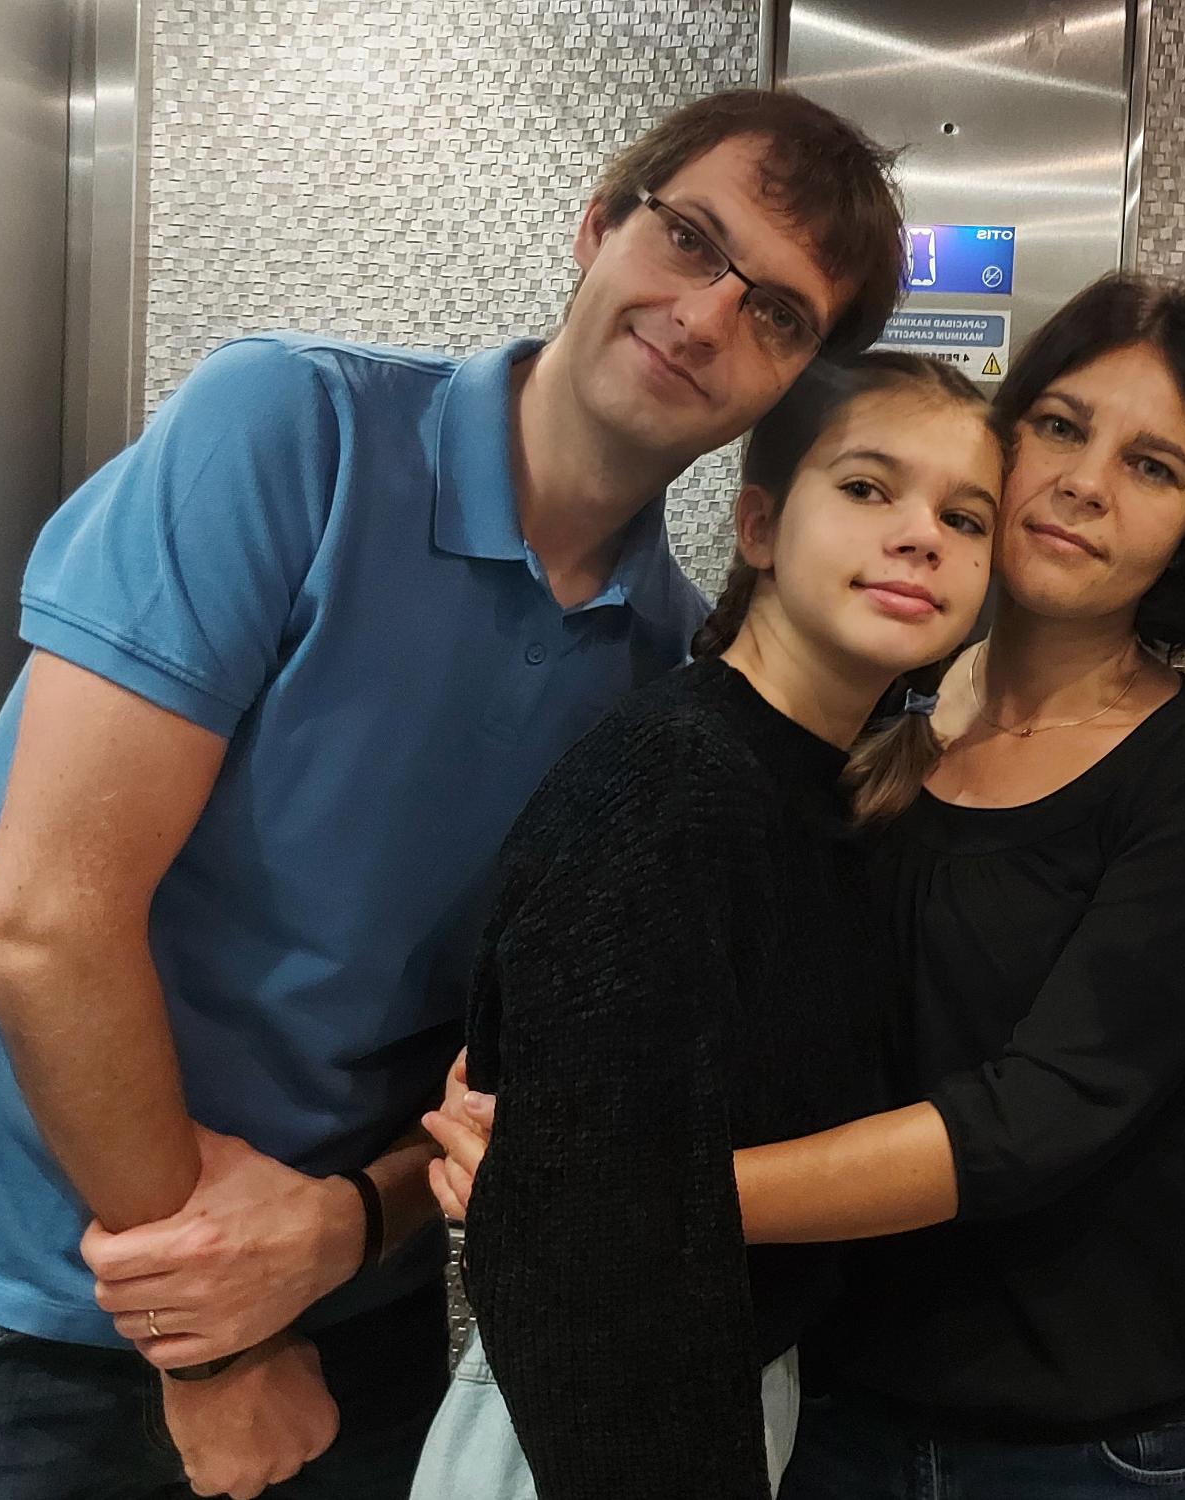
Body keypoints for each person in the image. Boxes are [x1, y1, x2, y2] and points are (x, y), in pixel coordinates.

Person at [0, 89, 904, 1500]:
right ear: (596, 227)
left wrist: (344, 1228)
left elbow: (495, 1080)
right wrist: (211, 1345)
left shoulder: (663, 677)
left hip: (333, 1316)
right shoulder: (291, 431)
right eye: (689, 239)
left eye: (779, 315)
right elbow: (41, 925)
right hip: (5, 1298)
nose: (704, 317)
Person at [426, 273, 1185, 1496]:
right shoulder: (862, 733)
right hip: (823, 1403)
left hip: (1080, 1440)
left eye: (1154, 466)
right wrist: (536, 1109)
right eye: (1059, 427)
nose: (1087, 484)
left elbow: (1038, 1115)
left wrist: (615, 1193)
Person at [425, 352, 1003, 1500]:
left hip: (731, 1371)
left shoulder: (827, 787)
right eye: (868, 488)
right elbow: (593, 1247)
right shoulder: (677, 783)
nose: (921, 536)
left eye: (966, 517)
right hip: (610, 1418)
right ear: (759, 527)